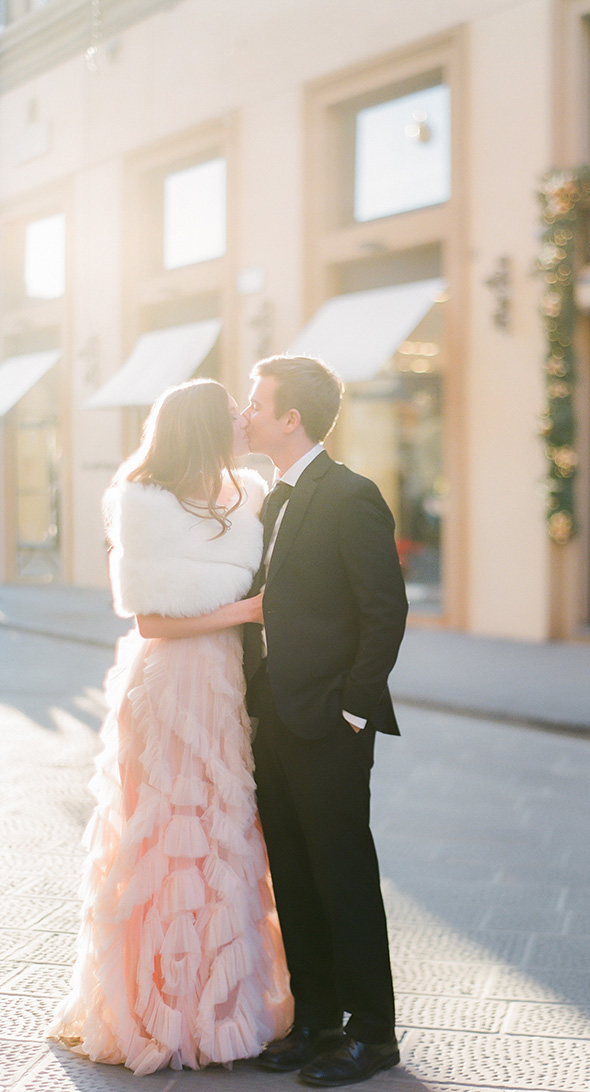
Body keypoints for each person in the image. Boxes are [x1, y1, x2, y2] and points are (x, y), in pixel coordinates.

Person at [48, 379, 292, 1076]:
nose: (246, 420)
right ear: (201, 428)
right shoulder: (144, 500)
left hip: (225, 681)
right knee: (168, 835)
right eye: (232, 414)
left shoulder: (247, 491)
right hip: (172, 680)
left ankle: (220, 1007)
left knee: (224, 834)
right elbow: (150, 618)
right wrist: (245, 614)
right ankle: (161, 1012)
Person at [242, 355, 408, 1087]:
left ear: (291, 418)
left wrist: (350, 707)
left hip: (329, 723)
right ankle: (316, 1023)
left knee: (342, 876)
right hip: (273, 718)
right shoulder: (269, 500)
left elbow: (385, 613)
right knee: (296, 877)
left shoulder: (351, 495)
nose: (244, 412)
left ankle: (373, 1036)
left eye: (256, 402)